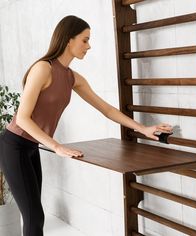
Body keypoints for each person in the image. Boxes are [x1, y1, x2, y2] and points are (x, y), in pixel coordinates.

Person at [0, 15, 172, 236]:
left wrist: (142, 128)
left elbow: (107, 109)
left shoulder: (72, 77)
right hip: (14, 146)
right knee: (35, 217)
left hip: (32, 147)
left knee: (35, 215)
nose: (89, 46)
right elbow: (23, 118)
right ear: (68, 40)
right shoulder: (43, 69)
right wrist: (57, 146)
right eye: (85, 39)